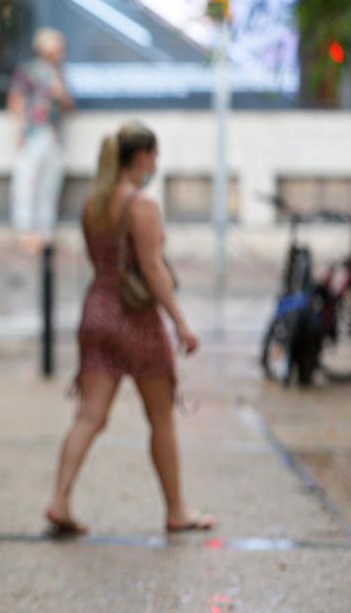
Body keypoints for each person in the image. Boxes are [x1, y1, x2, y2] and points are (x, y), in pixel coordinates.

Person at [45, 121, 214, 535]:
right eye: (154, 157)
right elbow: (152, 268)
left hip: (96, 310)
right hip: (135, 318)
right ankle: (177, 510)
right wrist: (180, 322)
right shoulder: (141, 205)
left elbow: (101, 260)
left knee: (89, 416)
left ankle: (59, 499)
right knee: (160, 418)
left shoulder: (94, 203)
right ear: (141, 158)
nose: (155, 164)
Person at [7, 27, 74, 248]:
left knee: (49, 183)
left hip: (53, 134)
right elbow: (15, 100)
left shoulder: (60, 74)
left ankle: (45, 231)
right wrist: (21, 129)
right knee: (27, 182)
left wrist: (60, 94)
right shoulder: (29, 70)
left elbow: (69, 105)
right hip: (33, 133)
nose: (60, 53)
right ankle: (26, 231)